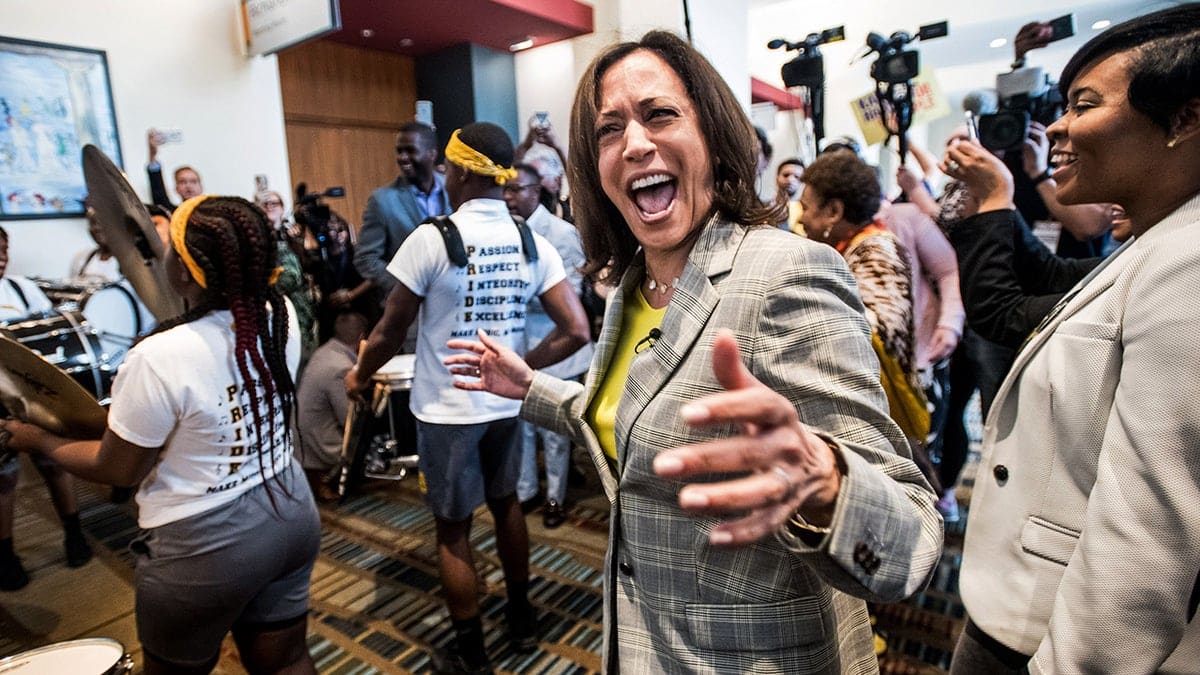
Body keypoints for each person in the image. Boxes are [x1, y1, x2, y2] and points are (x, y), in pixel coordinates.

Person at [445, 31, 942, 674]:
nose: (636, 143)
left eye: (659, 114)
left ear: (711, 135)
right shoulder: (631, 287)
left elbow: (914, 541)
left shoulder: (786, 273)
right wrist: (529, 387)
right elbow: (637, 421)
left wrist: (826, 480)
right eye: (608, 130)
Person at [941, 7, 1200, 672]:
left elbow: (1144, 538)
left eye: (1083, 104)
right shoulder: (1154, 244)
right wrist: (999, 194)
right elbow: (1053, 280)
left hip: (1054, 635)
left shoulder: (1188, 264)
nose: (1056, 125)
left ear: (1184, 120)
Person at [1, 196, 320, 673]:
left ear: (187, 273)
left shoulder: (158, 356)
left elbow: (117, 468)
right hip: (289, 509)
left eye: (168, 246)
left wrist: (37, 439)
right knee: (288, 660)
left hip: (205, 545)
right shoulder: (280, 317)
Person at [345, 122, 590, 674]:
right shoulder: (531, 239)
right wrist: (522, 370)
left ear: (455, 170)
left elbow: (386, 334)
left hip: (447, 412)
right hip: (505, 404)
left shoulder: (432, 238)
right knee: (507, 507)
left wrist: (359, 374)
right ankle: (523, 620)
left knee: (453, 529)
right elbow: (576, 329)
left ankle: (473, 652)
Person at [799, 151, 932, 459]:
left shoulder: (875, 249)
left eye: (806, 207)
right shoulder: (860, 246)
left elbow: (878, 331)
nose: (801, 218)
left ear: (833, 210)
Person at [0, 225, 93, 591]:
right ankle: (6, 555)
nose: (2, 258)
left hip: (29, 394)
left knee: (53, 461)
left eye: (5, 250)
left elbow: (47, 334)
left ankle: (75, 534)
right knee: (5, 476)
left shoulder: (22, 288)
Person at [504, 163, 594, 527]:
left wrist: (522, 293)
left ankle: (555, 497)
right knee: (521, 424)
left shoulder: (561, 233)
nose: (507, 196)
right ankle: (527, 490)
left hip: (557, 342)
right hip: (519, 341)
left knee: (554, 431)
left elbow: (572, 296)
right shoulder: (504, 231)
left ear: (536, 191)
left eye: (515, 189)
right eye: (503, 189)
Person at [353, 121, 451, 310]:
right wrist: (406, 284)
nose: (403, 158)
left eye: (411, 150)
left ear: (432, 153)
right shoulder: (382, 200)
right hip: (408, 311)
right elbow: (366, 259)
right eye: (399, 151)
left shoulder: (454, 189)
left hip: (455, 306)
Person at [296, 310, 367, 502]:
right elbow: (349, 419)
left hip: (300, 439)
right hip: (319, 442)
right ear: (362, 338)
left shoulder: (324, 351)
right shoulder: (341, 367)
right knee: (366, 437)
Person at [146, 128, 203, 212]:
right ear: (176, 188)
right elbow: (159, 195)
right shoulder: (174, 214)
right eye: (182, 182)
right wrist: (152, 155)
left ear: (201, 187)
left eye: (193, 181)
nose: (188, 186)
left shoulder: (215, 213)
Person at [775, 157, 806, 234]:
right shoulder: (763, 207)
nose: (790, 180)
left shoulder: (805, 212)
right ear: (777, 178)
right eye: (786, 175)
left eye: (797, 177)